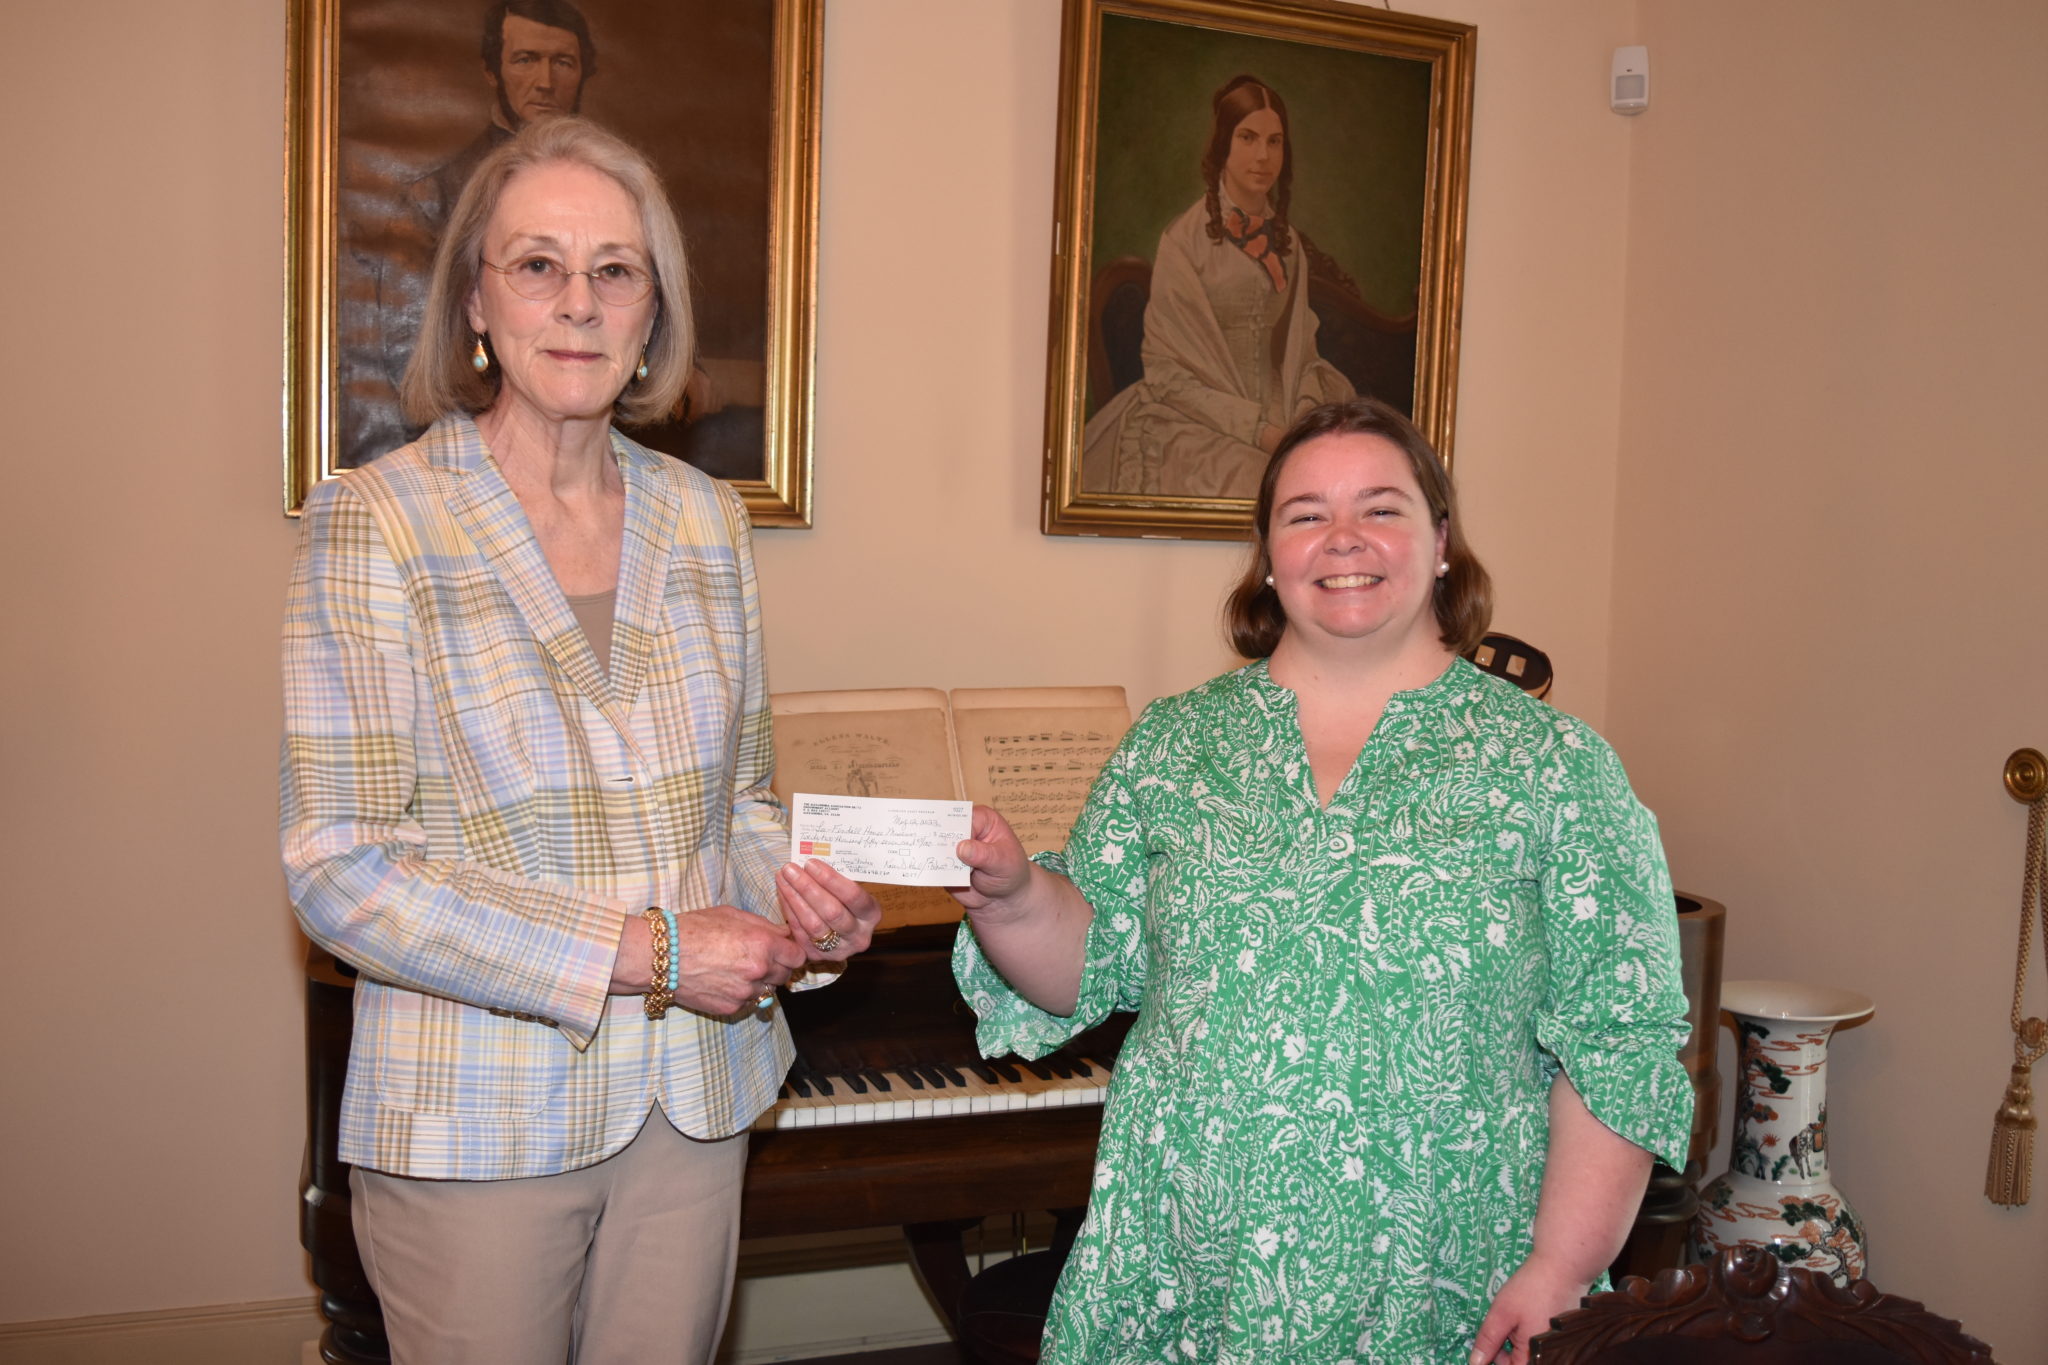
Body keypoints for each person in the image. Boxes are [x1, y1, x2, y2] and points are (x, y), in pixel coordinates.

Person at [791, 397, 1697, 1362]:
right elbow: (1082, 968)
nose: (1343, 538)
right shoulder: (1175, 746)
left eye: (1381, 508)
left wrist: (1559, 1270)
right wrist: (1014, 897)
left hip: (1445, 1274)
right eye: (1306, 514)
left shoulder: (1555, 766)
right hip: (1183, 1262)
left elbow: (1619, 1042)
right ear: (1268, 556)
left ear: (1440, 542)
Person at [282, 116, 878, 1364]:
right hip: (473, 1121)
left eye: (616, 270)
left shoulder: (707, 521)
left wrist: (801, 906)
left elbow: (738, 810)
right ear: (474, 305)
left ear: (652, 314)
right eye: (537, 264)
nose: (578, 302)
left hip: (696, 1108)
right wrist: (651, 950)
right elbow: (343, 871)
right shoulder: (375, 524)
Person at [1080, 74, 1357, 501]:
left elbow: (1302, 354)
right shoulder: (1183, 240)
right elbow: (1167, 374)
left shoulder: (1288, 245)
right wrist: (1259, 431)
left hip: (1281, 417)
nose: (1262, 156)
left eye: (1274, 141)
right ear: (1223, 144)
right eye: (1247, 138)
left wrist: (1300, 420)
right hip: (1192, 418)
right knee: (1254, 481)